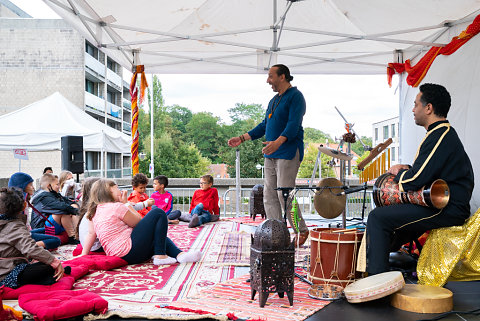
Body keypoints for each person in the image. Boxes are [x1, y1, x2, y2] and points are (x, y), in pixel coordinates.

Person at [366, 83, 474, 275]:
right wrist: (406, 168)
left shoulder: (441, 135)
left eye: (416, 104)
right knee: (394, 228)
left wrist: (398, 173)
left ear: (429, 108)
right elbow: (426, 170)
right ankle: (374, 267)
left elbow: (412, 182)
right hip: (439, 204)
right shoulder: (440, 133)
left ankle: (376, 285)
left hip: (447, 208)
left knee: (377, 218)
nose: (413, 109)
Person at [227, 64, 309, 245]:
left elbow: (293, 125)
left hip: (287, 152)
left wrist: (277, 143)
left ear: (283, 77)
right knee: (269, 195)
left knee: (284, 194)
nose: (267, 80)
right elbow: (265, 125)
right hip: (271, 154)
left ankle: (301, 230)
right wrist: (242, 138)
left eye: (271, 76)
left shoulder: (296, 97)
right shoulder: (273, 100)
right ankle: (276, 234)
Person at [81, 179, 202, 265]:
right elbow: (137, 222)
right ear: (108, 192)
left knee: (157, 236)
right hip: (129, 252)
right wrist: (126, 204)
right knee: (157, 213)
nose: (120, 190)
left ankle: (181, 255)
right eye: (116, 188)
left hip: (117, 253)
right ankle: (160, 255)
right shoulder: (117, 206)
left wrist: (83, 254)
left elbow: (91, 234)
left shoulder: (94, 210)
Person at [0, 187, 64, 288]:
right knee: (48, 267)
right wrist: (53, 261)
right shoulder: (14, 226)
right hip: (7, 274)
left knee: (41, 261)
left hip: (6, 267)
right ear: (23, 206)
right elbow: (30, 249)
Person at [8, 172, 61, 250]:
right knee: (55, 240)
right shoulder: (17, 204)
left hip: (26, 231)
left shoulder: (24, 200)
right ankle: (26, 247)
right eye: (30, 185)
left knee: (49, 230)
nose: (33, 187)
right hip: (20, 235)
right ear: (21, 186)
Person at [30, 173, 79, 245]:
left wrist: (74, 206)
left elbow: (67, 201)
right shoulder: (43, 198)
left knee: (72, 207)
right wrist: (76, 211)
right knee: (63, 213)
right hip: (41, 227)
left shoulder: (53, 193)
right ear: (49, 186)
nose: (59, 187)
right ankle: (72, 236)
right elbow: (61, 207)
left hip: (52, 224)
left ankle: (77, 235)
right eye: (57, 184)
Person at [76, 177, 103, 252]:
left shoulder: (91, 207)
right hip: (95, 247)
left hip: (90, 245)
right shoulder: (97, 208)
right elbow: (92, 233)